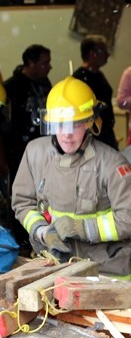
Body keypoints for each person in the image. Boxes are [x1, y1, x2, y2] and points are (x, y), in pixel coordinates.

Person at [11, 77, 131, 278]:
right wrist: (42, 232)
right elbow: (22, 203)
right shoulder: (35, 153)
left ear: (89, 123)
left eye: (74, 125)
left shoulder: (110, 163)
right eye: (60, 125)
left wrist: (85, 229)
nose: (67, 135)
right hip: (53, 267)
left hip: (105, 274)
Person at [4, 44, 52, 252]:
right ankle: (22, 242)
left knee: (45, 194)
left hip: (46, 149)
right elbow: (4, 126)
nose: (49, 67)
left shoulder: (45, 83)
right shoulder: (12, 87)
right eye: (44, 63)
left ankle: (45, 235)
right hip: (18, 152)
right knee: (22, 195)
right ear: (30, 63)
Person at [73, 35, 119, 150]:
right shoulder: (79, 80)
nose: (107, 55)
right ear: (92, 53)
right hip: (92, 137)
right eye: (104, 51)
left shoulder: (98, 75)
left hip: (105, 133)